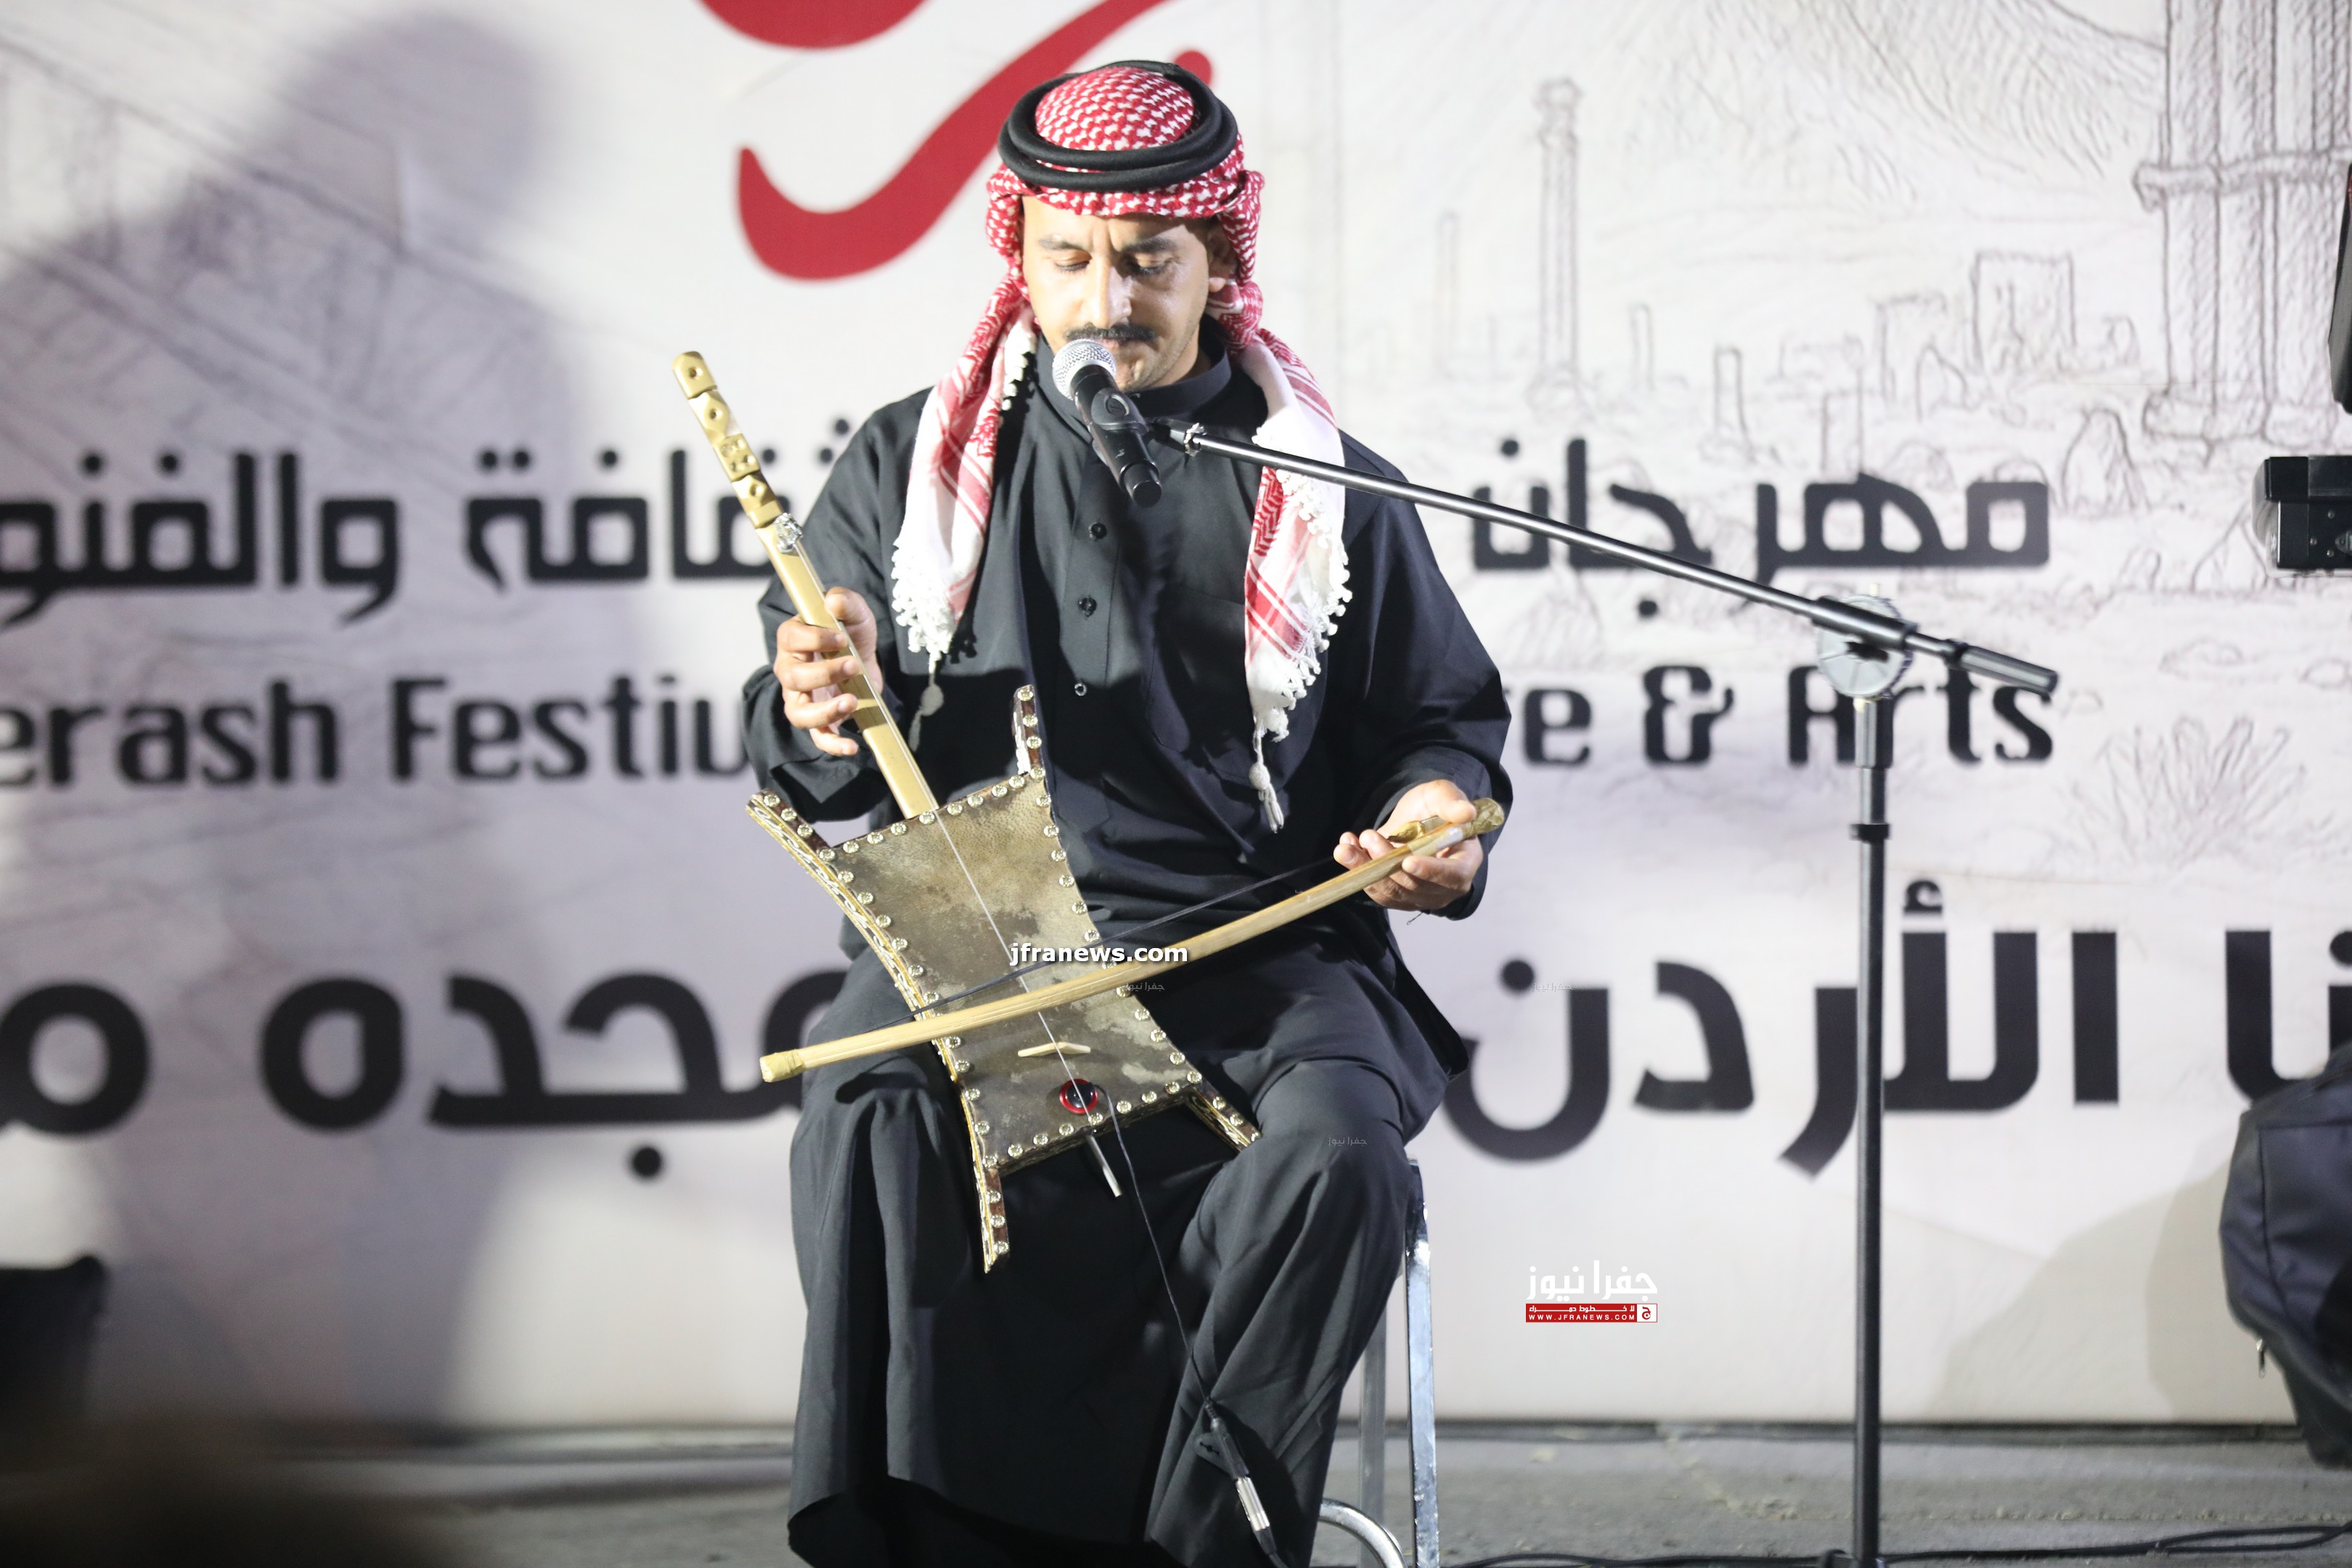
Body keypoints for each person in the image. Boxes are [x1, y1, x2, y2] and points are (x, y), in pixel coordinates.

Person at [743, 60, 1510, 1568]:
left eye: (1148, 262)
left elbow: (1436, 725)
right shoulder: (912, 470)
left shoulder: (1322, 484)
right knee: (874, 1097)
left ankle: (1200, 1550)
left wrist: (1434, 814)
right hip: (980, 951)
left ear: (1217, 260)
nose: (1106, 302)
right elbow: (804, 757)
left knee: (1339, 1154)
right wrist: (824, 702)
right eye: (1069, 261)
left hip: (1260, 956)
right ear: (1020, 261)